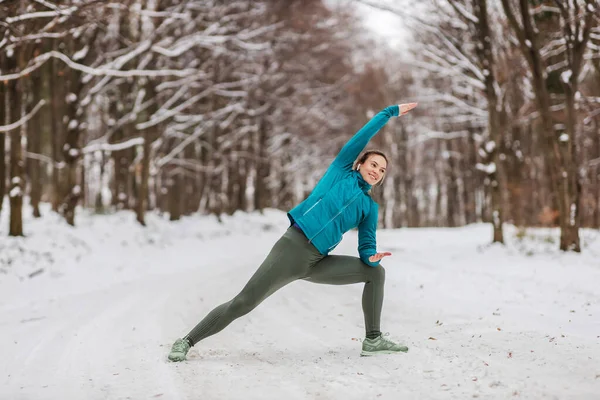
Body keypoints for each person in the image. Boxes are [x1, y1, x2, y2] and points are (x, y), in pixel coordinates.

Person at [168, 103, 418, 361]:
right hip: (293, 248)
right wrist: (390, 112)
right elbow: (363, 136)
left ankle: (373, 339)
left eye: (382, 170)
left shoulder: (369, 207)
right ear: (359, 163)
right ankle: (186, 341)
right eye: (373, 164)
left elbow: (366, 245)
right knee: (244, 302)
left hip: (318, 262)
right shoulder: (340, 172)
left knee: (376, 273)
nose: (376, 171)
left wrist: (370, 257)